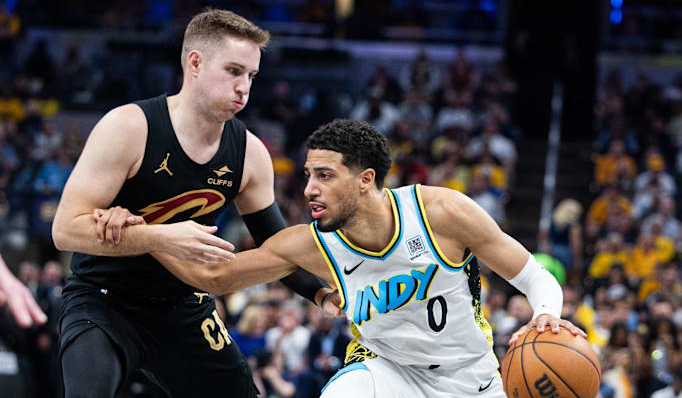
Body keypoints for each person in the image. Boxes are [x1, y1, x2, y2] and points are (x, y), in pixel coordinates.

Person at [109, 119, 585, 398]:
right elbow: (215, 277)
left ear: (365, 178)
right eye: (308, 175)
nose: (309, 189)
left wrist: (546, 317)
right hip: (386, 371)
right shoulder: (314, 243)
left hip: (471, 377)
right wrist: (147, 230)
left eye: (324, 175)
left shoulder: (441, 212)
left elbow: (538, 278)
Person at [51, 9, 334, 398]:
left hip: (182, 302)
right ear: (195, 63)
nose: (244, 87)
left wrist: (320, 294)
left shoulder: (249, 152)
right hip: (103, 298)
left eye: (251, 75)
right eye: (233, 71)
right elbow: (65, 230)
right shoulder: (129, 127)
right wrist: (162, 238)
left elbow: (278, 245)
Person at [0, 254, 47, 328]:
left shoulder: (41, 289)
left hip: (35, 329)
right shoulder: (11, 286)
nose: (26, 274)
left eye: (29, 272)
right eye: (24, 271)